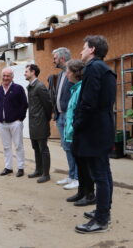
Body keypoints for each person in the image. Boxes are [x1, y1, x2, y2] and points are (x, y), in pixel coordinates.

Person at [73, 35, 116, 234]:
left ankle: (101, 220)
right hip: (103, 125)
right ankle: (103, 210)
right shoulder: (105, 68)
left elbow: (88, 102)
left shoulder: (92, 68)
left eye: (83, 48)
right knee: (104, 172)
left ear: (91, 50)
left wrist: (78, 124)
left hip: (94, 129)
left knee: (99, 174)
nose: (81, 51)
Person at [63, 59, 95, 207]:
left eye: (68, 71)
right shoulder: (75, 88)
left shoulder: (81, 89)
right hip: (73, 134)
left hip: (79, 133)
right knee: (80, 165)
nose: (66, 74)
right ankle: (82, 191)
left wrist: (74, 128)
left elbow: (81, 112)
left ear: (75, 73)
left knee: (85, 166)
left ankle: (89, 194)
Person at [49, 47, 79, 190]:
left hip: (69, 115)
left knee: (73, 147)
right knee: (66, 147)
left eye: (54, 58)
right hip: (61, 116)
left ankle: (77, 177)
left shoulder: (72, 73)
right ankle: (71, 175)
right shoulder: (61, 74)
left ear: (61, 58)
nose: (53, 61)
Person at [0, 67, 28, 177]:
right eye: (4, 75)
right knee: (6, 146)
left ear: (12, 77)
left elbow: (24, 104)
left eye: (8, 76)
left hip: (15, 123)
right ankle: (8, 167)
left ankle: (20, 168)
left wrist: (20, 119)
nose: (5, 78)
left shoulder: (18, 88)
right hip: (2, 123)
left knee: (18, 146)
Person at [24, 64, 53, 183]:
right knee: (35, 147)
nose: (24, 73)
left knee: (43, 148)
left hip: (40, 122)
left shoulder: (39, 86)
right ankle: (38, 170)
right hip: (33, 123)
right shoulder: (31, 87)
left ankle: (46, 174)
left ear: (33, 72)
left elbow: (48, 105)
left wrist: (44, 119)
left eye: (26, 71)